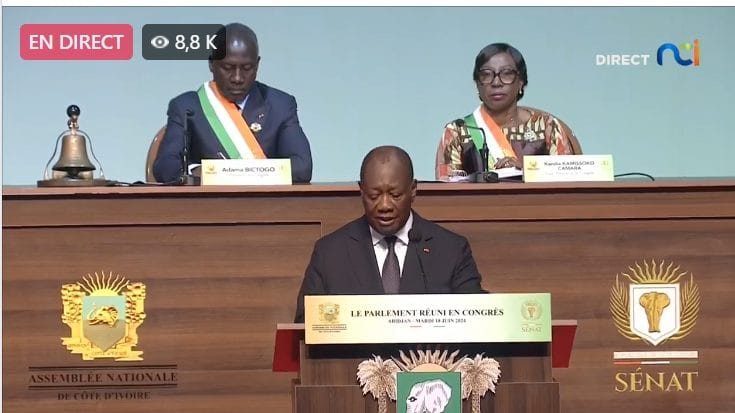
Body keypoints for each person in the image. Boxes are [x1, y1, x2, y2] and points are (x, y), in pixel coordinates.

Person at [294, 145, 484, 323]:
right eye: (374, 196)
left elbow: (477, 322)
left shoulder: (451, 250)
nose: (384, 206)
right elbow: (305, 326)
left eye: (395, 195)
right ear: (361, 191)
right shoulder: (330, 253)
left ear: (413, 190)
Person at [153, 23, 313, 183]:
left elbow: (302, 167)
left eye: (247, 68)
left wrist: (227, 173)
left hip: (265, 198)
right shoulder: (187, 107)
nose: (237, 78)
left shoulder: (281, 105)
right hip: (209, 198)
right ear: (211, 63)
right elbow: (164, 167)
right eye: (228, 67)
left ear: (257, 65)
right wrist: (197, 172)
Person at [435, 43, 579, 181]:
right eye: (486, 75)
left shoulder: (547, 126)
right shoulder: (457, 132)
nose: (496, 82)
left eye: (507, 74)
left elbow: (569, 178)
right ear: (477, 84)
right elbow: (447, 188)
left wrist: (527, 171)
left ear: (521, 82)